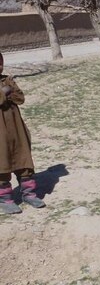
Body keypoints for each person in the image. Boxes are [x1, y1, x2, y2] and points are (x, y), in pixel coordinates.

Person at [0, 51, 45, 214]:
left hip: (17, 129)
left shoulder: (8, 80)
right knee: (2, 163)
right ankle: (5, 199)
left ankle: (29, 194)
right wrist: (4, 93)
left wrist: (7, 92)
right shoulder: (7, 84)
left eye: (0, 62)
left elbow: (20, 98)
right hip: (1, 134)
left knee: (24, 160)